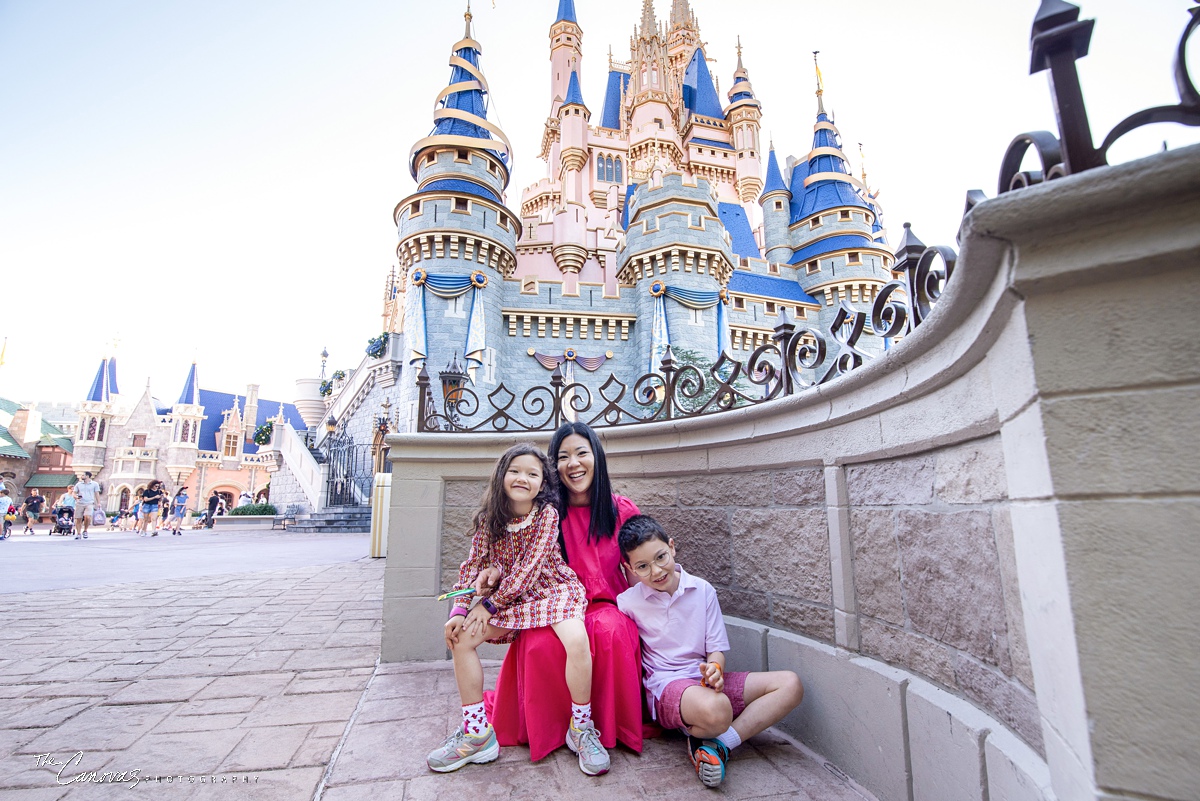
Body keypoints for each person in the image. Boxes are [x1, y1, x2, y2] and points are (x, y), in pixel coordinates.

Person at [427, 444, 610, 776]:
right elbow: (473, 565)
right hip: (512, 597)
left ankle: (580, 727)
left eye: (532, 473)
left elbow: (530, 568)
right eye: (515, 471)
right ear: (501, 476)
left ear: (543, 483)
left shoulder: (546, 515)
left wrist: (490, 604)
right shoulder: (490, 518)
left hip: (552, 590)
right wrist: (458, 610)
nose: (522, 478)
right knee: (461, 638)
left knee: (577, 641)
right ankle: (477, 732)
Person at [483, 422, 645, 762]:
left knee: (610, 631)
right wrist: (494, 574)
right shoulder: (544, 514)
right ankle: (549, 729)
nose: (573, 463)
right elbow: (514, 557)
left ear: (597, 458)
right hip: (553, 603)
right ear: (551, 467)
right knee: (540, 643)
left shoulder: (620, 509)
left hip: (605, 605)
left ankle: (589, 727)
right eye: (563, 456)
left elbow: (641, 566)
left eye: (582, 453)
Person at [617, 515, 804, 788]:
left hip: (703, 679)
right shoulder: (628, 602)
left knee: (790, 684)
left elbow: (715, 650)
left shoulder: (702, 590)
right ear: (628, 567)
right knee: (718, 710)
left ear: (672, 547)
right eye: (642, 566)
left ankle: (719, 745)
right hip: (667, 686)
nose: (656, 572)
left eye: (660, 558)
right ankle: (706, 728)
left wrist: (715, 670)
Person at [73, 471, 101, 539]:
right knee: (78, 519)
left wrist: (98, 503)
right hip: (79, 503)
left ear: (87, 476)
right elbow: (74, 493)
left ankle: (85, 530)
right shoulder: (78, 484)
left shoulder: (94, 484)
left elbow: (97, 494)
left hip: (89, 503)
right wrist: (76, 497)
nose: (81, 476)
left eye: (83, 475)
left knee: (87, 517)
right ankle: (79, 533)